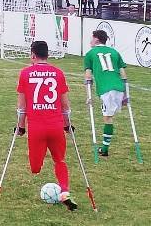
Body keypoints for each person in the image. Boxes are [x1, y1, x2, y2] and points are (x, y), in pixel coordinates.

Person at [16, 40, 77, 211]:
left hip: (36, 128)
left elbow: (22, 107)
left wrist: (20, 127)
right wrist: (67, 125)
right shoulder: (58, 73)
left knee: (35, 168)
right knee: (60, 160)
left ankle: (62, 192)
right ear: (47, 55)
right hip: (56, 125)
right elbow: (65, 106)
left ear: (33, 55)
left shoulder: (25, 73)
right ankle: (64, 191)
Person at [84, 30, 127, 157]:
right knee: (109, 116)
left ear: (96, 39)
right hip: (119, 87)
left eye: (91, 38)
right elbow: (123, 74)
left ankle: (104, 148)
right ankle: (105, 147)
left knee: (108, 118)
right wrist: (125, 94)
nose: (90, 41)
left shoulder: (90, 54)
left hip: (106, 90)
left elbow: (88, 76)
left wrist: (89, 96)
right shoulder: (114, 52)